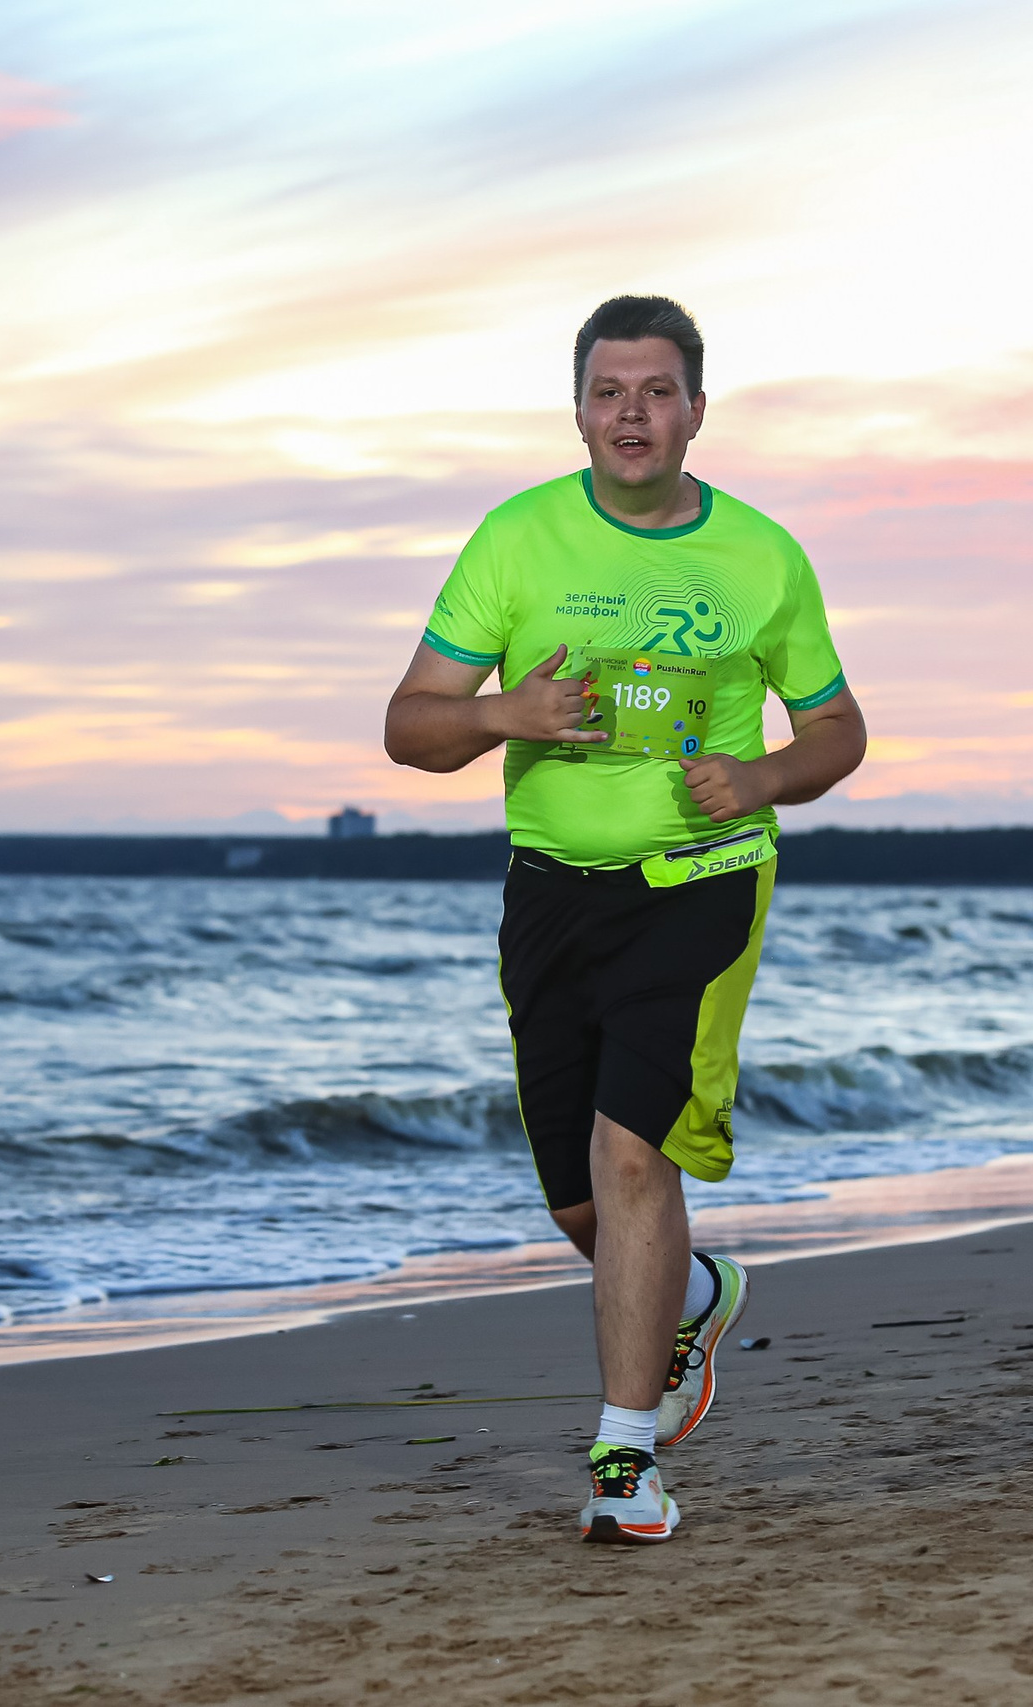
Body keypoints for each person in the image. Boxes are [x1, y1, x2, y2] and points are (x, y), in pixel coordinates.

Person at [383, 295, 867, 1543]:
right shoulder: (516, 540)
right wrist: (506, 718)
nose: (632, 414)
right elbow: (409, 725)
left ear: (697, 410)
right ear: (580, 409)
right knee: (579, 1204)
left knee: (632, 1153)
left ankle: (623, 1457)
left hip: (700, 884)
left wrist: (759, 779)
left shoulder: (761, 556)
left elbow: (836, 730)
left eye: (657, 392)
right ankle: (695, 1291)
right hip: (550, 892)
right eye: (610, 392)